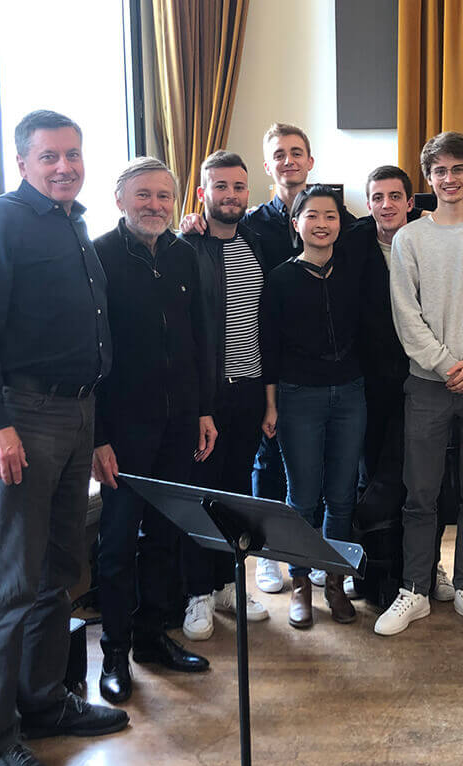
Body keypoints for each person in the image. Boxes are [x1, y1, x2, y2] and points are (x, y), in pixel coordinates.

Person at [0, 110, 127, 766]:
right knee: (10, 584)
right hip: (23, 417)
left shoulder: (72, 225)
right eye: (49, 156)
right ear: (22, 162)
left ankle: (45, 700)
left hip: (77, 414)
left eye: (73, 154)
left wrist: (97, 430)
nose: (64, 166)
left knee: (59, 570)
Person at [183, 124, 355, 597]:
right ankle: (257, 561)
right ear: (268, 165)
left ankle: (288, 562)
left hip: (277, 375)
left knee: (283, 477)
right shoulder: (251, 224)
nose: (288, 161)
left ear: (310, 162)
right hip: (242, 381)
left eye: (297, 152)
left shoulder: (326, 219)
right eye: (279, 154)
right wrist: (189, 222)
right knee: (262, 471)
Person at [375, 131, 463, 636]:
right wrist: (444, 364)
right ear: (427, 179)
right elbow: (405, 315)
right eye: (439, 171)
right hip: (426, 384)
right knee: (420, 493)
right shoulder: (409, 238)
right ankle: (415, 588)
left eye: (457, 169)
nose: (449, 179)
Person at [91, 157, 213, 705]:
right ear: (120, 199)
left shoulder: (184, 255)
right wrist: (97, 436)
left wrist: (204, 410)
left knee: (166, 536)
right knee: (118, 543)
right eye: (144, 195)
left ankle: (152, 637)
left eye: (164, 196)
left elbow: (199, 339)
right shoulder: (97, 255)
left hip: (179, 424)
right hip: (123, 430)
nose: (155, 205)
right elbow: (90, 355)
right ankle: (114, 651)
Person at [342, 165, 455, 606]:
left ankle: (429, 566)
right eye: (377, 197)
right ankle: (369, 568)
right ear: (368, 204)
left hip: (426, 377)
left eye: (395, 196)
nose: (386, 205)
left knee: (428, 480)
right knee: (373, 479)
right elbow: (302, 227)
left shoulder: (431, 239)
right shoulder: (352, 241)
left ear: (411, 202)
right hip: (371, 386)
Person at [259, 186, 364, 628]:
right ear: (296, 223)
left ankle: (334, 581)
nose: (322, 223)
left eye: (331, 216)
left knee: (341, 496)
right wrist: (270, 405)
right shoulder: (280, 278)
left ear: (341, 224)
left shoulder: (353, 272)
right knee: (302, 496)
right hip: (298, 396)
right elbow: (267, 348)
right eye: (312, 216)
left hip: (350, 395)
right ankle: (300, 581)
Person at [180, 150, 273, 642]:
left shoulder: (257, 242)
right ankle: (197, 592)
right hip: (207, 398)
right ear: (203, 193)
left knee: (237, 493)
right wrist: (200, 405)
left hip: (249, 391)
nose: (230, 195)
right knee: (202, 493)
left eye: (238, 187)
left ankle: (228, 584)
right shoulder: (186, 247)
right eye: (220, 186)